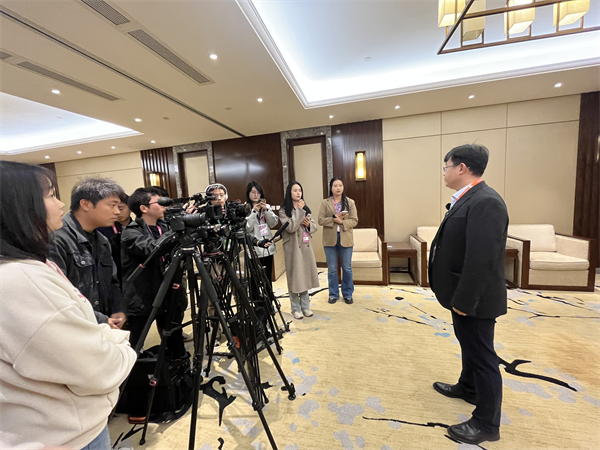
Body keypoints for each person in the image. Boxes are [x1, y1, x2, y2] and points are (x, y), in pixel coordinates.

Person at [0, 161, 136, 450]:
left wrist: (112, 316)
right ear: (18, 206)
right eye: (50, 195)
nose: (60, 203)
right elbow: (95, 367)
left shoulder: (97, 241)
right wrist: (117, 340)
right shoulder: (22, 279)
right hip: (61, 433)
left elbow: (110, 283)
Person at [428, 144, 508, 445]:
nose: (444, 172)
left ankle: (487, 424)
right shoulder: (469, 198)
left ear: (461, 168)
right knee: (469, 346)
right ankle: (468, 387)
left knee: (484, 357)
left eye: (446, 166)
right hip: (462, 294)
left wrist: (464, 300)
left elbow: (482, 259)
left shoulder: (486, 202)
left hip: (475, 299)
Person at [49, 177, 127, 328]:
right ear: (85, 204)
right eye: (112, 205)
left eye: (118, 206)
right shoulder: (57, 239)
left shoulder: (101, 240)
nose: (117, 212)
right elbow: (58, 295)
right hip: (75, 325)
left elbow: (112, 281)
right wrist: (100, 319)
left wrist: (117, 309)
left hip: (100, 324)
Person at [121, 187, 185, 356]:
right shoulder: (130, 232)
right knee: (134, 343)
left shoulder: (164, 227)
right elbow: (152, 249)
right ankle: (133, 371)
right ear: (144, 208)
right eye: (159, 202)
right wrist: (176, 229)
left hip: (167, 293)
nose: (164, 205)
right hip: (142, 296)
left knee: (174, 338)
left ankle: (177, 365)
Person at [279, 181, 319, 320]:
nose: (298, 193)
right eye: (295, 190)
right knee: (294, 277)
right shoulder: (284, 210)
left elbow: (314, 226)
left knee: (305, 276)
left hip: (305, 246)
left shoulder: (305, 208)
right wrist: (299, 211)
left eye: (300, 190)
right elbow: (290, 227)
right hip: (292, 247)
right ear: (289, 192)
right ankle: (295, 308)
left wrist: (308, 225)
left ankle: (305, 306)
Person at [318, 177, 358, 304]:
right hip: (330, 240)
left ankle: (347, 293)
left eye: (340, 185)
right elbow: (320, 220)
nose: (338, 188)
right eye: (335, 186)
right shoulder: (325, 203)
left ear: (343, 187)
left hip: (346, 238)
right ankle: (333, 294)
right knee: (332, 269)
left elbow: (354, 220)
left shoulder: (350, 202)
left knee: (347, 268)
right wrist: (333, 219)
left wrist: (341, 222)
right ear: (331, 188)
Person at [245, 181, 279, 286]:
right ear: (248, 193)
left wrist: (266, 210)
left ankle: (269, 295)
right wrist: (254, 212)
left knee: (267, 278)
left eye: (258, 193)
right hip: (254, 248)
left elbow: (273, 224)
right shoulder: (245, 209)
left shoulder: (266, 207)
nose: (256, 195)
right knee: (255, 280)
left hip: (267, 247)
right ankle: (257, 297)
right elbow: (248, 228)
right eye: (253, 192)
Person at [98, 195, 132, 286]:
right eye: (113, 208)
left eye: (121, 208)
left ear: (130, 209)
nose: (117, 212)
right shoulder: (103, 229)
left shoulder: (137, 228)